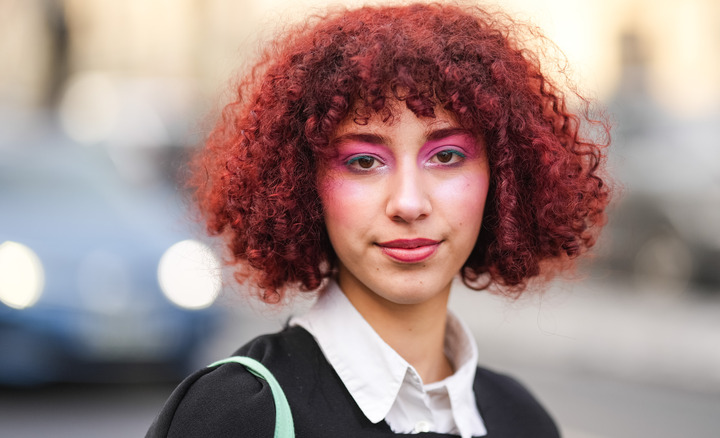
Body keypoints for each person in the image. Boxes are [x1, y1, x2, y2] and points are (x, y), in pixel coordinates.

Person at [147, 2, 609, 437]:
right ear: (304, 184)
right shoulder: (239, 416)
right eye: (364, 162)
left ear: (505, 176)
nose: (408, 204)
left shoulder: (520, 420)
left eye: (446, 155)